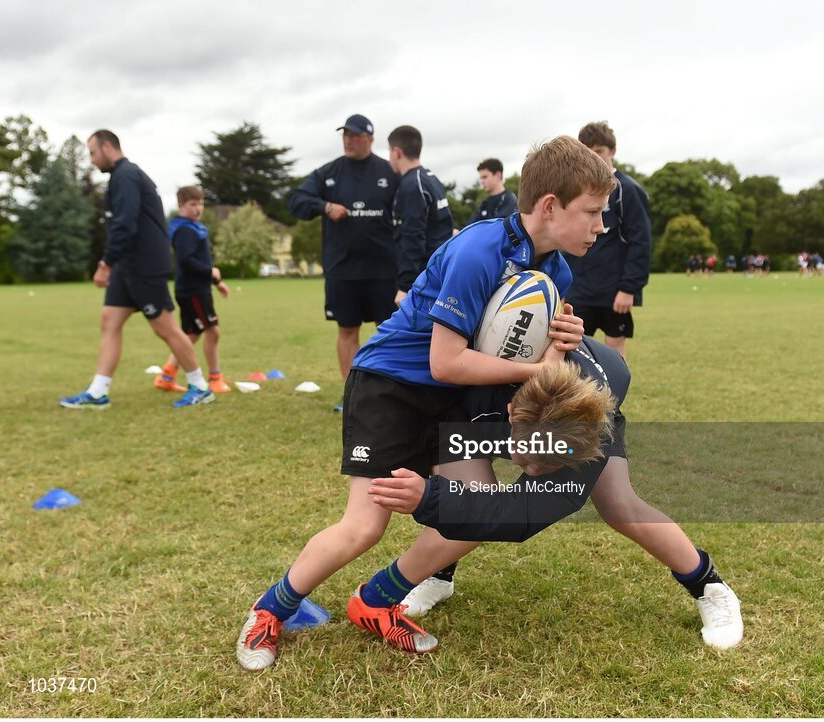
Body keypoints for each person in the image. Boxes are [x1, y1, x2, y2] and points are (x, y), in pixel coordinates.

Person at [235, 136, 612, 671]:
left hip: (450, 401)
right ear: (550, 205)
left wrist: (561, 341)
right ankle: (271, 609)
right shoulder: (479, 250)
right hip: (391, 387)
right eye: (593, 213)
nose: (601, 227)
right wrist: (540, 367)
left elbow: (535, 360)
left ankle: (375, 600)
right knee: (365, 526)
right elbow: (446, 361)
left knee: (476, 512)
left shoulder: (559, 272)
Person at [368, 337, 743, 651]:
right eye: (529, 461)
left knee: (619, 505)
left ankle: (709, 585)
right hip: (475, 416)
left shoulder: (586, 434)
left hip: (576, 421)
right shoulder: (472, 387)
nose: (530, 474)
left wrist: (427, 499)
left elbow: (517, 516)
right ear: (512, 413)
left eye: (544, 468)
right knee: (468, 499)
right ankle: (439, 574)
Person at [59, 130, 214, 410]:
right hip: (127, 265)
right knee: (110, 320)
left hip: (144, 264)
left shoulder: (126, 176)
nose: (92, 160)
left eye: (93, 153)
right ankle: (98, 392)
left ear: (107, 147)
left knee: (164, 327)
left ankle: (200, 386)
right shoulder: (119, 178)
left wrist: (105, 263)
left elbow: (126, 224)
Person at [288, 114, 398, 411]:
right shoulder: (329, 172)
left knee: (388, 331)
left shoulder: (388, 171)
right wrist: (324, 206)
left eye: (356, 135)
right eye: (345, 135)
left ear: (370, 139)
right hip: (343, 269)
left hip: (383, 270)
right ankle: (353, 396)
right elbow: (296, 201)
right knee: (347, 331)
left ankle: (390, 393)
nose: (349, 140)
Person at [564, 122, 651, 359]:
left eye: (599, 151)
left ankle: (613, 397)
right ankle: (579, 398)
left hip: (614, 291)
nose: (594, 157)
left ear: (611, 151)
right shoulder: (574, 191)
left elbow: (641, 241)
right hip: (579, 289)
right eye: (587, 151)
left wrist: (628, 288)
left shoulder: (628, 190)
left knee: (613, 351)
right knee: (573, 353)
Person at [153, 186, 231, 394]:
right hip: (193, 291)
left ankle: (166, 376)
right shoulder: (184, 230)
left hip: (196, 288)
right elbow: (186, 261)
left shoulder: (193, 227)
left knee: (192, 335)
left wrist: (216, 282)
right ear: (181, 206)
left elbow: (200, 261)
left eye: (201, 203)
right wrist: (210, 273)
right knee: (212, 332)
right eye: (193, 204)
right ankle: (215, 379)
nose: (198, 208)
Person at [386, 125, 454, 306]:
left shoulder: (412, 185)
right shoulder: (431, 178)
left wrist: (404, 286)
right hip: (442, 274)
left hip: (425, 280)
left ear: (397, 152)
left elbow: (413, 237)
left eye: (389, 152)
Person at [465, 158, 518, 226]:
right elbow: (470, 226)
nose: (482, 181)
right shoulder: (485, 203)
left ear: (498, 175)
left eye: (485, 177)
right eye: (481, 178)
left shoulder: (509, 200)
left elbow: (497, 227)